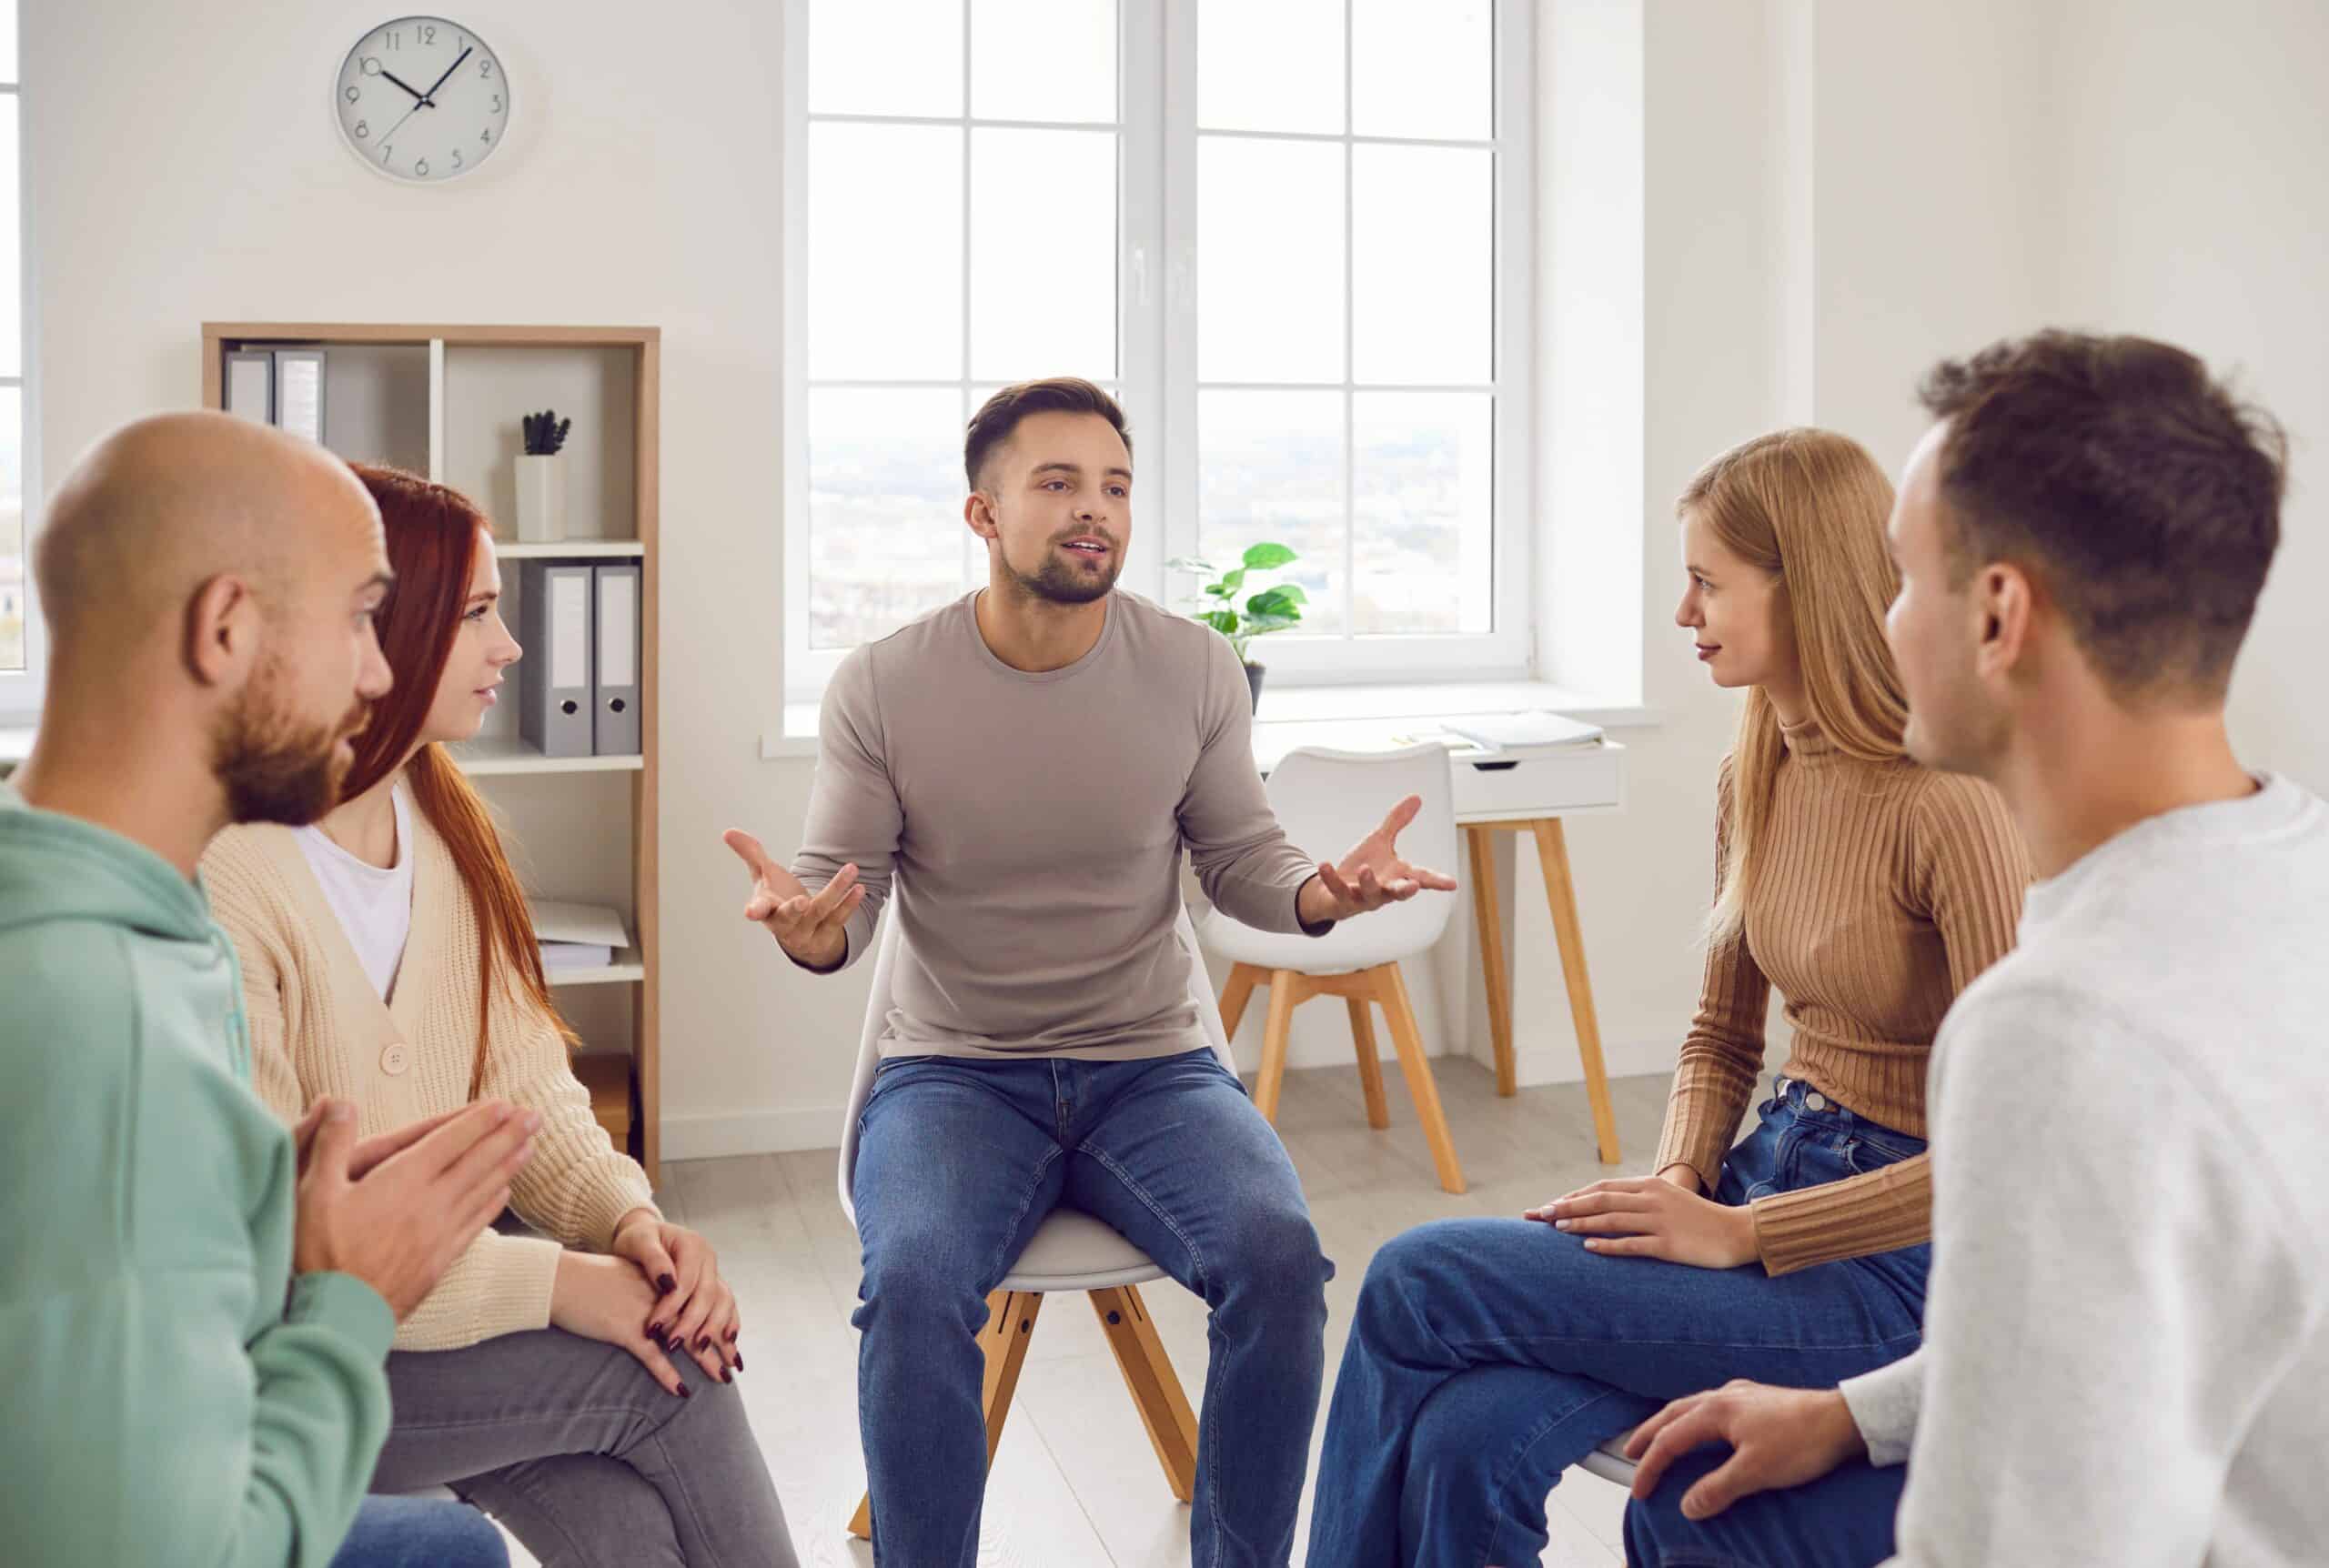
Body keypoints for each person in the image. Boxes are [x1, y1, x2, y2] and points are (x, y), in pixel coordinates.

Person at [1619, 331, 2329, 1566]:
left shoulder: (2059, 1026)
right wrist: (1854, 1414)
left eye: (1900, 578)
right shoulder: (2289, 873)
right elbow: (2121, 1331)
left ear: (1998, 615)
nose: (1882, 624)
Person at [722, 377, 1455, 1567]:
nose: (1094, 510)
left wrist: (1323, 894)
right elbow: (840, 898)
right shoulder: (887, 684)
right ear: (982, 515)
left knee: (1280, 1259)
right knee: (910, 1289)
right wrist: (811, 933)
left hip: (1153, 1070)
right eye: (1057, 483)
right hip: (957, 1075)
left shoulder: (1195, 668)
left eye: (1113, 486)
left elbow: (1242, 861)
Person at [1306, 427, 2032, 1567]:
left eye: (1707, 583)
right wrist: (1681, 1176)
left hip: (1899, 1264)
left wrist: (1746, 1231)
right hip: (1762, 1175)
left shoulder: (1951, 800)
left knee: (1415, 1274)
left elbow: (2011, 1147)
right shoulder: (1759, 769)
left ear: (1808, 581)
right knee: (1464, 1437)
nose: (1682, 614)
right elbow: (1718, 1035)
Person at [204, 465, 796, 1568]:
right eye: (478, 611)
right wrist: (561, 1285)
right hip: (292, 1357)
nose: (510, 646)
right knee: (679, 1383)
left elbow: (526, 1081)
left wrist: (630, 1224)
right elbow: (284, 1238)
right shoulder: (232, 867)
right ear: (379, 625)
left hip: (435, 1318)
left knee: (624, 1518)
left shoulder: (441, 813)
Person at [0, 412, 533, 1568]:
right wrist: (347, 1298)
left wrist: (263, 1222)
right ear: (227, 628)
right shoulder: (107, 1029)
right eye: (359, 615)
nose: (383, 670)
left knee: (462, 1551)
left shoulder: (107, 895)